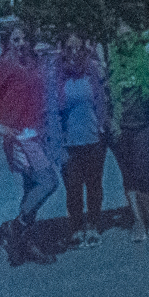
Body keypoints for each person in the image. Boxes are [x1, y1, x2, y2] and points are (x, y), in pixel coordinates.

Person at [0, 22, 60, 266]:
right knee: (48, 182)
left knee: (32, 187)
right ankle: (15, 226)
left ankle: (24, 242)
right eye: (16, 39)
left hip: (37, 133)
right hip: (18, 137)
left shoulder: (32, 63)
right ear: (8, 42)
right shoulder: (0, 65)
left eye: (25, 39)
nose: (22, 44)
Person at [48, 31, 111, 246]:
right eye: (69, 48)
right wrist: (55, 142)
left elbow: (102, 100)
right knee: (73, 188)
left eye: (78, 48)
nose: (74, 52)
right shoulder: (56, 75)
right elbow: (52, 112)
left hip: (94, 138)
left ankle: (93, 225)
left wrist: (104, 123)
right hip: (69, 142)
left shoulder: (93, 70)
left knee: (94, 185)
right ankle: (76, 227)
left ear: (85, 49)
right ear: (63, 50)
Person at [104, 21, 149, 243]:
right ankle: (138, 220)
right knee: (127, 174)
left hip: (143, 126)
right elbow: (105, 96)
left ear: (136, 36)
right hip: (120, 127)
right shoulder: (111, 64)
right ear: (116, 41)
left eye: (129, 34)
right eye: (121, 37)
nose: (125, 39)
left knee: (143, 170)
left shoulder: (146, 57)